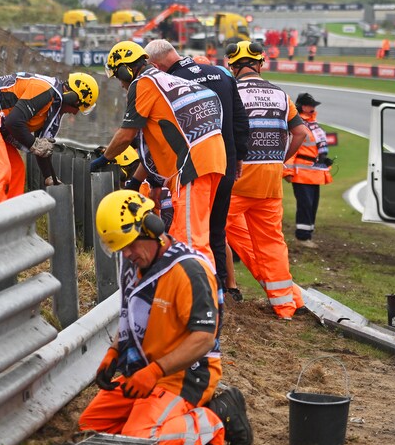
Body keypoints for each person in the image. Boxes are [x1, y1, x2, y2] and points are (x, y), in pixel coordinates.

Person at [80, 190, 253, 445]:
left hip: (184, 375)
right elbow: (131, 317)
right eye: (121, 248)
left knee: (139, 441)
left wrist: (154, 372)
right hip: (143, 371)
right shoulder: (133, 265)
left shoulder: (189, 271)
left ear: (152, 230)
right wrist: (114, 353)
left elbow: (204, 339)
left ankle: (217, 417)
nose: (127, 254)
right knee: (90, 427)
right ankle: (169, 419)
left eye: (131, 244)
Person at [91, 40, 226, 267]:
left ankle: (204, 297)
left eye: (119, 77)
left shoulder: (143, 84)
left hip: (193, 164)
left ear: (126, 69)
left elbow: (126, 134)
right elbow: (154, 145)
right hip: (212, 158)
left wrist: (104, 158)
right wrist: (136, 181)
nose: (122, 84)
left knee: (190, 242)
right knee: (187, 232)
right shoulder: (166, 79)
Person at [144, 39, 250, 301]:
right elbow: (240, 119)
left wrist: (155, 177)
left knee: (192, 231)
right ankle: (223, 288)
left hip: (194, 166)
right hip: (225, 160)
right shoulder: (221, 73)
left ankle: (202, 292)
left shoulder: (170, 82)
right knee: (217, 229)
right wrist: (239, 157)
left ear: (156, 65)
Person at [224, 40, 307, 320]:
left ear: (233, 66)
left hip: (238, 178)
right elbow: (301, 134)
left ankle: (210, 294)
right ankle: (286, 306)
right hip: (270, 181)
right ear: (260, 63)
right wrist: (280, 159)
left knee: (210, 232)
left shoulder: (231, 91)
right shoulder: (281, 94)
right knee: (272, 243)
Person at [0, 71, 98, 209]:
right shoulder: (44, 90)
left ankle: (9, 222)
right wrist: (34, 144)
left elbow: (42, 147)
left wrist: (49, 177)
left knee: (17, 170)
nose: (75, 112)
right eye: (78, 107)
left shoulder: (53, 105)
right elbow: (14, 122)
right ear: (73, 98)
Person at [284, 92, 333, 248]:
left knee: (312, 205)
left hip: (315, 173)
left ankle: (308, 235)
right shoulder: (299, 125)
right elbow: (292, 149)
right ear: (303, 107)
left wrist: (325, 160)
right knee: (305, 205)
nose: (313, 108)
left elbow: (316, 147)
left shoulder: (313, 124)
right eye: (311, 105)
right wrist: (288, 172)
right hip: (302, 174)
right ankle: (303, 237)